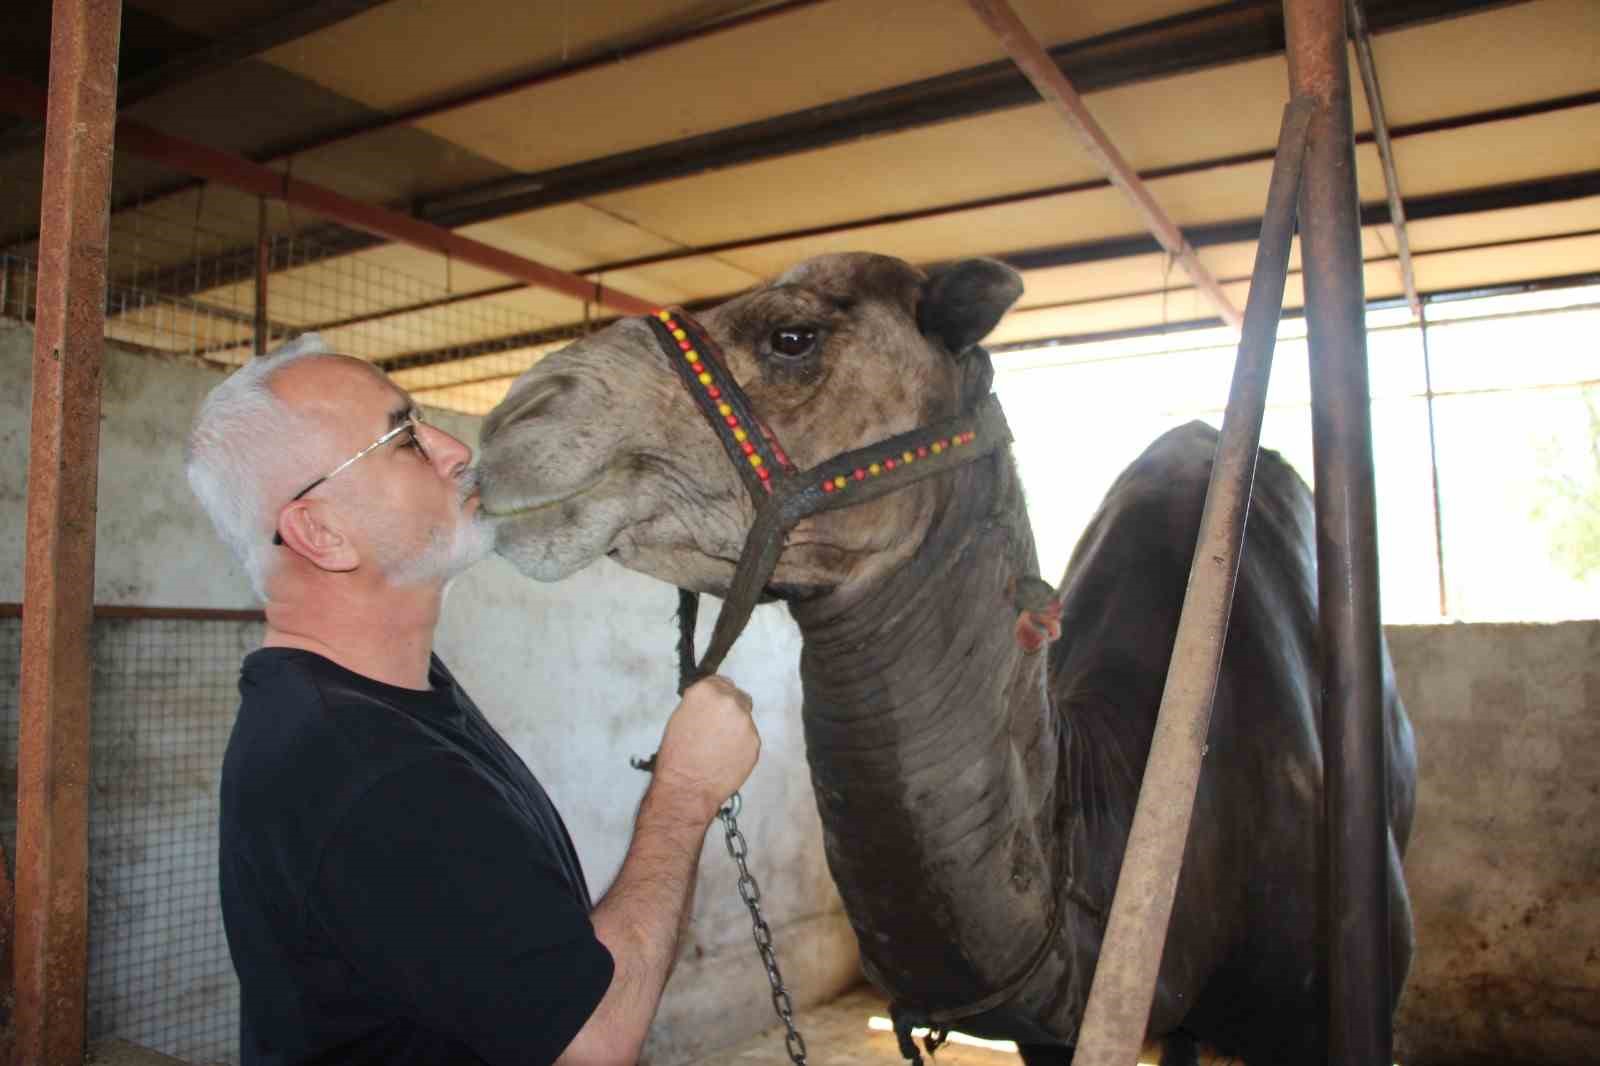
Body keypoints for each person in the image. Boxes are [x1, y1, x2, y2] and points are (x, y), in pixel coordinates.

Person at [185, 335, 761, 1066]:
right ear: (320, 532)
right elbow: (593, 1040)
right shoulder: (371, 772)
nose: (455, 449)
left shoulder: (375, 701)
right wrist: (687, 789)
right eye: (403, 440)